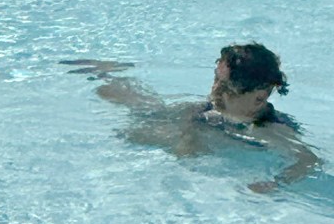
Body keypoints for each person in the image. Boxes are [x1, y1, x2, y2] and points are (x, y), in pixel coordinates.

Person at [62, 43, 319, 192]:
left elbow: (309, 160)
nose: (214, 89)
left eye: (224, 86)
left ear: (259, 97)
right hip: (208, 120)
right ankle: (107, 74)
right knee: (143, 112)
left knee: (165, 133)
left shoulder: (268, 129)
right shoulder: (217, 105)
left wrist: (276, 184)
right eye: (215, 79)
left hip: (220, 133)